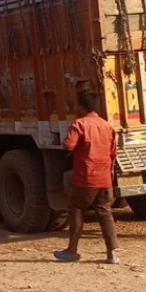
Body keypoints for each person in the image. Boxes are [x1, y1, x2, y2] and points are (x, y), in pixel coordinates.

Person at [54, 89, 120, 264]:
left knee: (76, 210)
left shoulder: (79, 124)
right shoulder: (107, 126)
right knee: (105, 212)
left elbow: (68, 145)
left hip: (86, 178)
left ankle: (72, 251)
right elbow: (114, 153)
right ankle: (112, 253)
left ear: (81, 106)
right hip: (105, 178)